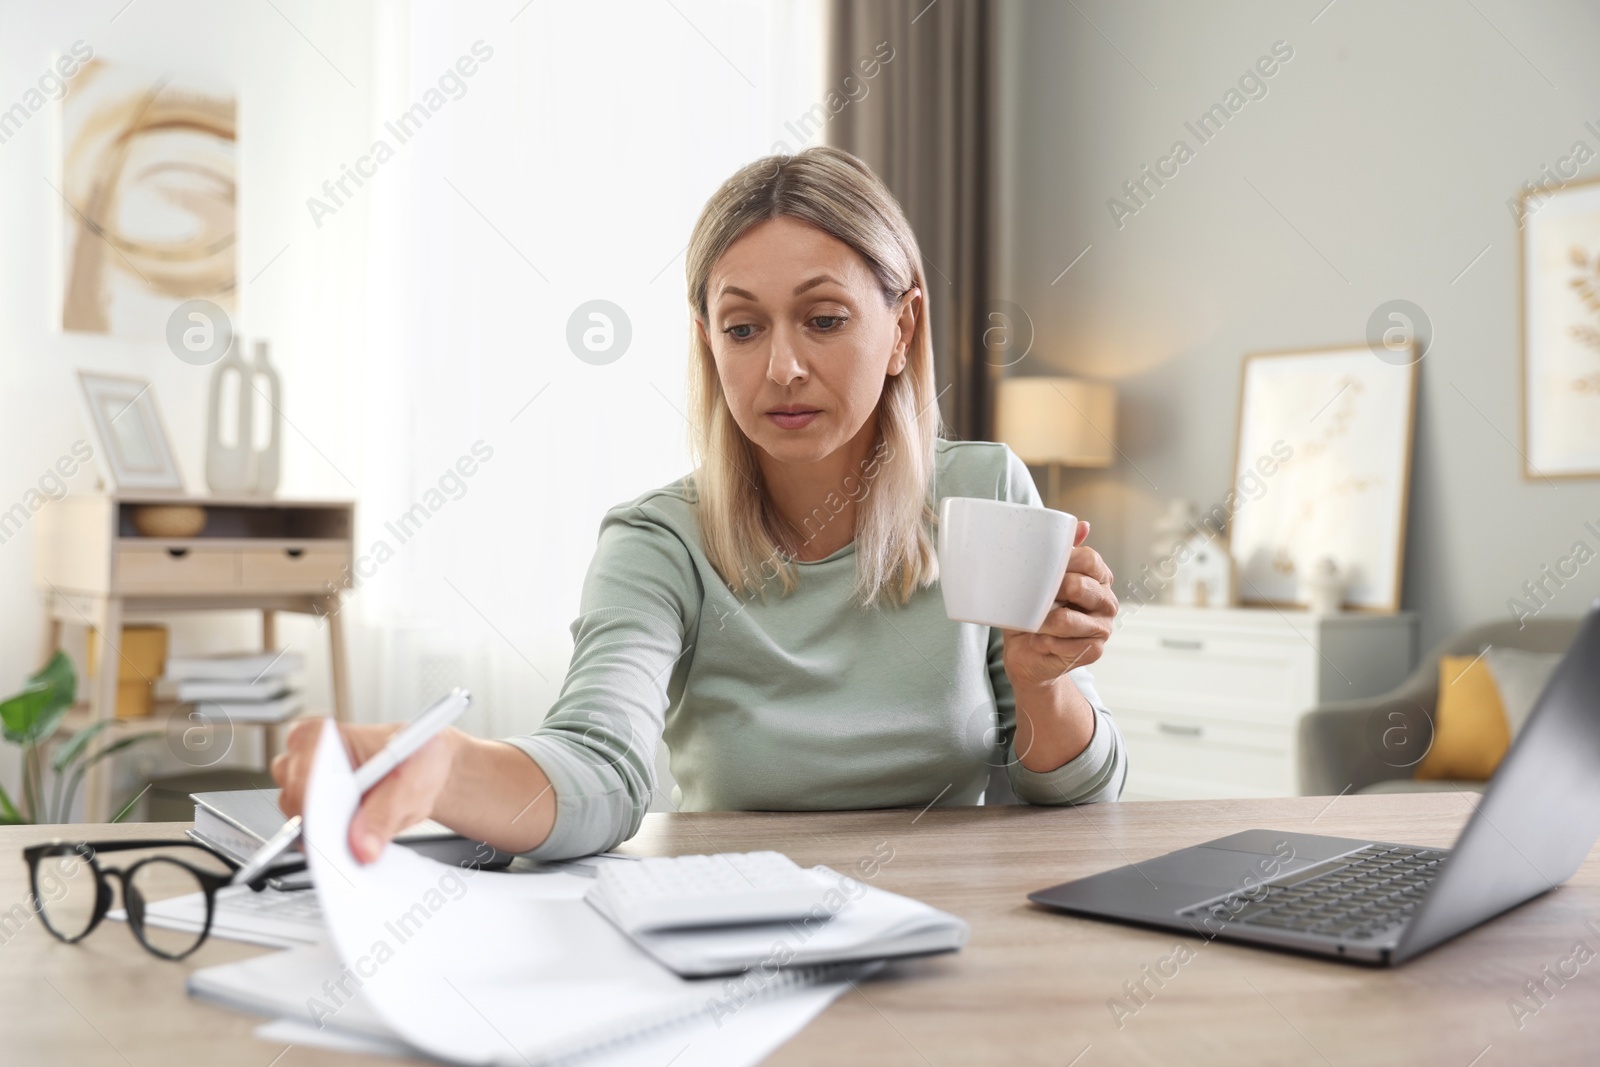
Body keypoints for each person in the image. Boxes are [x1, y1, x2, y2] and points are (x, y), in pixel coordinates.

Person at [272, 145, 1126, 863]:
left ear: (902, 329)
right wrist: (444, 764)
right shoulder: (660, 540)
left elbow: (1074, 798)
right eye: (744, 328)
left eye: (824, 319)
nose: (782, 367)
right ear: (707, 340)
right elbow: (599, 766)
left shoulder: (983, 492)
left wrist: (1045, 683)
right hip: (739, 927)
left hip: (954, 928)